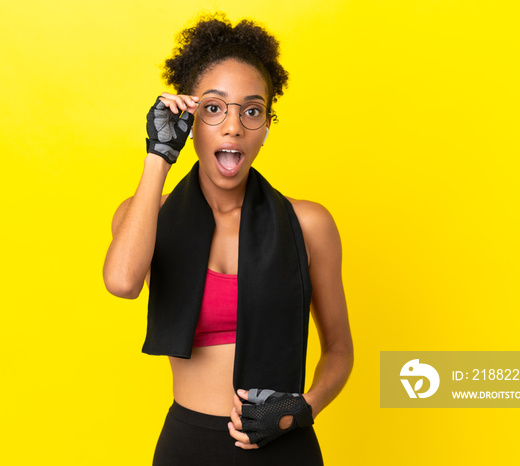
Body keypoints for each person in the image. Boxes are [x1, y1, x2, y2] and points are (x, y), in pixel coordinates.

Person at [103, 13, 353, 465]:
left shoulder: (309, 224)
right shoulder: (146, 215)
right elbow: (122, 282)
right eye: (214, 108)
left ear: (266, 127)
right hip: (189, 446)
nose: (233, 126)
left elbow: (339, 350)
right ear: (191, 118)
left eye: (251, 110)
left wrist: (303, 409)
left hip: (283, 445)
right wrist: (160, 155)